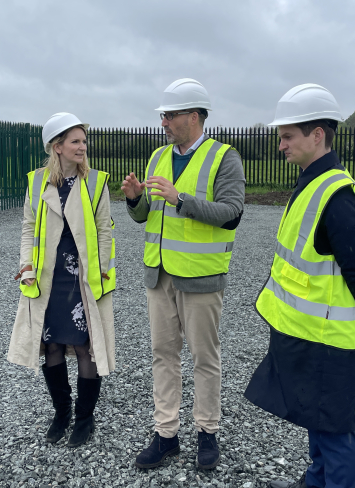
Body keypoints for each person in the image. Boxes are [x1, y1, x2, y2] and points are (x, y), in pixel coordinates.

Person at [244, 84, 355, 488]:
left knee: (335, 431)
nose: (281, 145)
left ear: (318, 134)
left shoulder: (338, 196)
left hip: (328, 340)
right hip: (308, 334)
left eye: (288, 136)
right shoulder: (312, 184)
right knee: (318, 421)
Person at [121, 78, 245, 470]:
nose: (164, 122)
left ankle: (207, 433)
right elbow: (146, 218)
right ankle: (166, 435)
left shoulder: (224, 157)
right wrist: (135, 199)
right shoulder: (157, 157)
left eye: (170, 115)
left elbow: (232, 214)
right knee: (163, 354)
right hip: (159, 276)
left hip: (200, 278)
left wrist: (181, 199)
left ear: (194, 116)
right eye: (163, 115)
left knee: (204, 357)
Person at [7, 112, 116, 448]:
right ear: (57, 147)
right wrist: (26, 265)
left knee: (86, 347)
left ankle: (85, 419)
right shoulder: (37, 182)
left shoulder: (96, 182)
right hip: (48, 278)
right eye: (75, 141)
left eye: (84, 141)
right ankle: (61, 413)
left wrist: (103, 268)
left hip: (82, 279)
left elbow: (105, 229)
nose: (83, 147)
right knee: (52, 346)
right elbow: (28, 228)